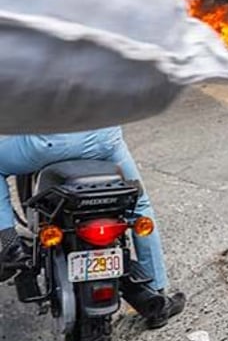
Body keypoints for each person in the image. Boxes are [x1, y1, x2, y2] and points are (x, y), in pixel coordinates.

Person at [0, 127, 185, 329]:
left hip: (48, 145)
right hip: (104, 141)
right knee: (139, 204)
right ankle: (157, 292)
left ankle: (12, 246)